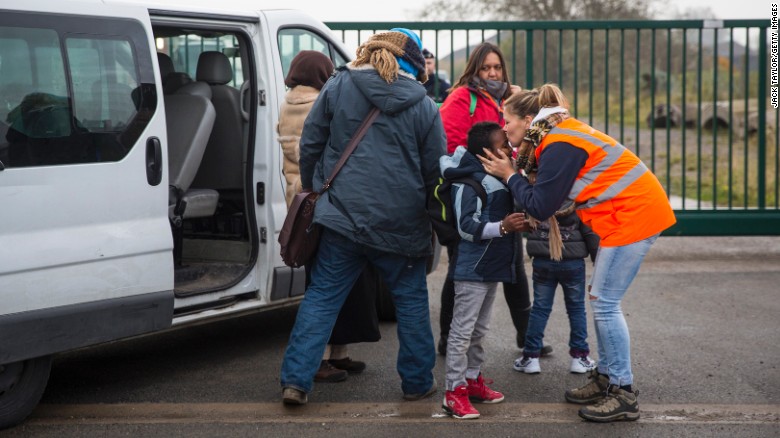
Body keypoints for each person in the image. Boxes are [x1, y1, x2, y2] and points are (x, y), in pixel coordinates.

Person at [479, 83, 676, 423]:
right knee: (601, 301)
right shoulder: (557, 134)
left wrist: (510, 175)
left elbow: (541, 205)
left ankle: (623, 392)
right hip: (626, 215)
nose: (504, 127)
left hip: (633, 216)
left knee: (605, 303)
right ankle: (606, 378)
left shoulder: (559, 143)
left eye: (507, 120)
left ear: (528, 121)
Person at [279, 28, 446, 405]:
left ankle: (295, 382)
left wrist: (317, 188)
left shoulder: (339, 86)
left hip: (341, 217)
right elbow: (435, 171)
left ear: (372, 51)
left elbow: (311, 144)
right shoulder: (423, 104)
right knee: (412, 302)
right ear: (414, 63)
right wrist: (435, 218)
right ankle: (418, 382)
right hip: (401, 225)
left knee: (321, 298)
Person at [436, 41, 550, 359]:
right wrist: (488, 160)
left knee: (513, 265)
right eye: (485, 67)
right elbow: (451, 143)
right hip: (473, 192)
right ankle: (448, 338)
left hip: (503, 190)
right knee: (461, 265)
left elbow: (525, 133)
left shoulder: (507, 98)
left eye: (497, 67)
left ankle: (529, 338)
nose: (492, 72)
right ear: (474, 69)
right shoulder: (461, 97)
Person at [277, 50, 379, 383]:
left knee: (328, 280)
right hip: (325, 203)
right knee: (325, 286)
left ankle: (339, 353)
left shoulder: (288, 103)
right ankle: (321, 358)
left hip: (300, 198)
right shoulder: (319, 105)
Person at [439, 122, 524, 419]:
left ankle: (472, 380)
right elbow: (466, 227)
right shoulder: (469, 181)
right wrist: (503, 227)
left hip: (492, 266)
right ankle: (454, 391)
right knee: (462, 332)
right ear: (488, 151)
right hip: (472, 269)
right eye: (504, 144)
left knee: (479, 330)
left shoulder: (496, 174)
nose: (510, 148)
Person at [512, 202, 600, 375]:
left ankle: (530, 357)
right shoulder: (576, 195)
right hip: (572, 261)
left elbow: (519, 212)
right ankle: (579, 357)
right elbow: (589, 231)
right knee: (576, 309)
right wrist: (598, 261)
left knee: (539, 309)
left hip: (543, 260)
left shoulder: (535, 194)